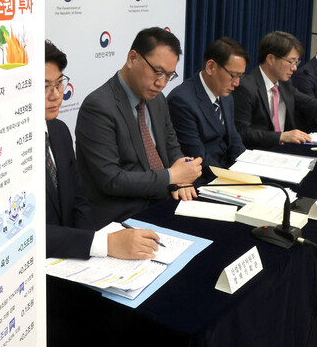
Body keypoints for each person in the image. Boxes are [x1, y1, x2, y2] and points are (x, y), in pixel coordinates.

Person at [75, 27, 202, 229]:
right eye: (157, 72)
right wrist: (172, 176)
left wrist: (183, 173)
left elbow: (171, 147)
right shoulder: (98, 107)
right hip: (122, 215)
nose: (161, 83)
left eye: (169, 75)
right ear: (132, 58)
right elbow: (111, 180)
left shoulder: (157, 99)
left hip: (163, 200)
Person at [44, 40, 160, 259]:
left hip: (75, 256)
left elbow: (78, 200)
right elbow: (25, 233)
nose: (56, 95)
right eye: (44, 87)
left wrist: (93, 253)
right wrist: (101, 245)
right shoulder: (8, 150)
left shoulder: (59, 130)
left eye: (59, 84)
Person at [232, 31, 317, 150]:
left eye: (296, 62)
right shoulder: (246, 87)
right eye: (291, 61)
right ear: (271, 59)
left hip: (285, 151)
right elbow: (242, 132)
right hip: (258, 154)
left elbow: (310, 103)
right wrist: (281, 136)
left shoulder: (284, 84)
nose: (294, 68)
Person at [167, 37, 248, 173]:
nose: (237, 83)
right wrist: (232, 179)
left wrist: (248, 168)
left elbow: (235, 141)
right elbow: (198, 157)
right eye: (233, 75)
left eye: (240, 76)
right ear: (211, 67)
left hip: (226, 171)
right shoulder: (181, 101)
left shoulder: (225, 95)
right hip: (204, 177)